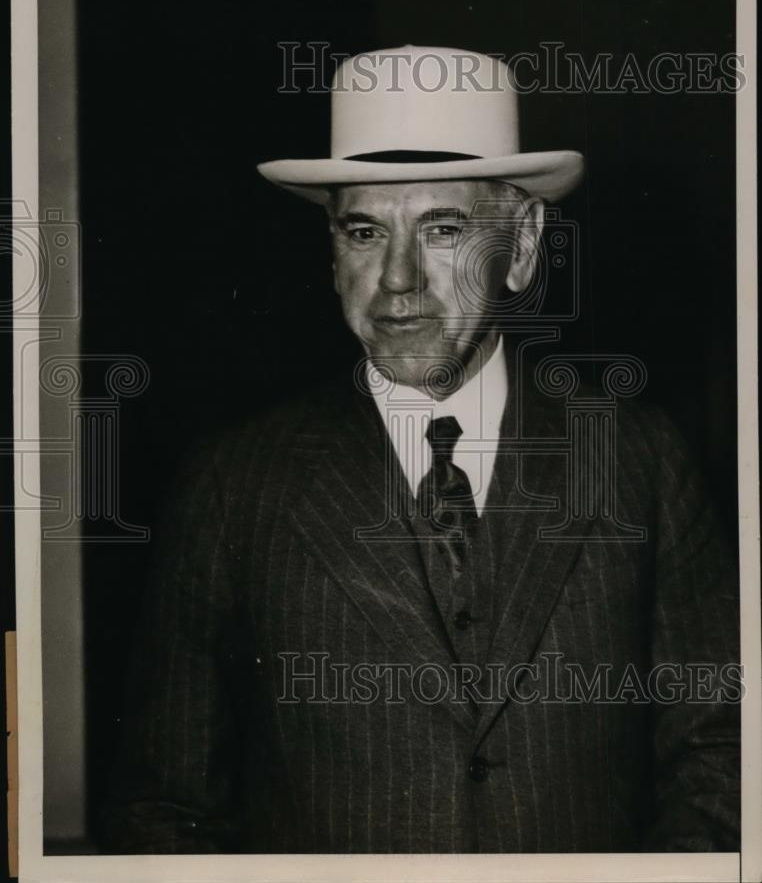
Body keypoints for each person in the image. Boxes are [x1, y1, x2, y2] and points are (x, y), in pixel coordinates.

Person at [105, 46, 740, 854]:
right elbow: (163, 808)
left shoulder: (638, 460)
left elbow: (722, 749)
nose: (397, 279)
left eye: (443, 229)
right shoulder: (233, 483)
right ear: (333, 254)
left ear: (523, 242)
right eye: (365, 231)